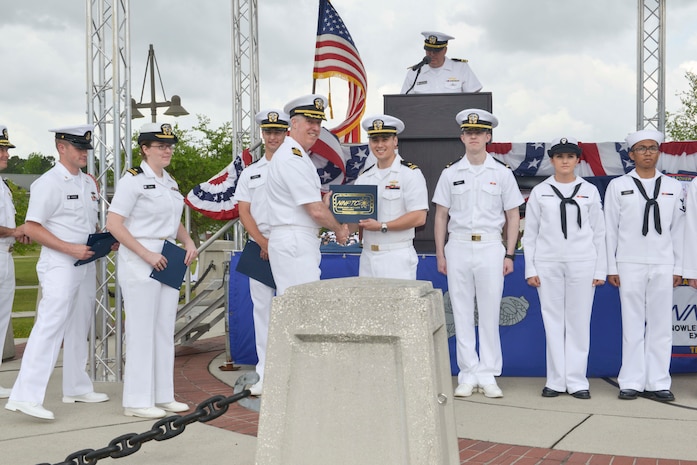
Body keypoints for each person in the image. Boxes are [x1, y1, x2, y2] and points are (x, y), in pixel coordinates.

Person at [5, 125, 109, 420]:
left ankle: (76, 386)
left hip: (86, 259)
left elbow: (85, 224)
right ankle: (25, 396)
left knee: (80, 325)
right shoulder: (48, 183)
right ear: (61, 147)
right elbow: (32, 227)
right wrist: (69, 248)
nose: (84, 153)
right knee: (50, 327)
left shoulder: (89, 182)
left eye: (86, 148)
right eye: (78, 148)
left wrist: (102, 238)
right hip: (60, 264)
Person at [106, 122, 197, 418]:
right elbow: (114, 224)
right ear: (145, 149)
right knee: (141, 330)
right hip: (140, 256)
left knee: (162, 329)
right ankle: (136, 400)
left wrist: (187, 240)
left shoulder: (169, 181)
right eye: (161, 146)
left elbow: (174, 219)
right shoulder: (132, 180)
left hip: (168, 254)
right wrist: (145, 254)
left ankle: (162, 394)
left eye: (170, 145)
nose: (167, 150)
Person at [432, 109, 523, 398]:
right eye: (468, 132)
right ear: (462, 137)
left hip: (489, 247)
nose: (473, 136)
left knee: (489, 311)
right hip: (457, 245)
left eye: (479, 132)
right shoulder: (450, 173)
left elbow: (513, 215)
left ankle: (489, 372)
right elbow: (441, 216)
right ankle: (468, 373)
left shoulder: (502, 173)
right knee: (460, 311)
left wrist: (509, 254)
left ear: (488, 136)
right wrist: (440, 254)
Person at [522, 137, 607, 399]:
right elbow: (531, 233)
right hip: (548, 263)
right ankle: (556, 380)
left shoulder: (589, 190)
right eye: (560, 157)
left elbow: (599, 232)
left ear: (578, 160)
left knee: (579, 322)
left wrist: (600, 270)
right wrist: (530, 268)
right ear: (552, 161)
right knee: (553, 321)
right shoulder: (540, 192)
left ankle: (577, 380)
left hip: (583, 261)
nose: (565, 161)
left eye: (570, 157)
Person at [605, 129, 684, 402]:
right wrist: (611, 266)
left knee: (661, 325)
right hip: (628, 262)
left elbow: (679, 230)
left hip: (663, 262)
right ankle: (631, 381)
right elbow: (609, 230)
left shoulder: (674, 187)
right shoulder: (618, 186)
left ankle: (658, 381)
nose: (648, 152)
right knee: (633, 323)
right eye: (641, 148)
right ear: (631, 155)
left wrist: (679, 266)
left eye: (652, 147)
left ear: (659, 153)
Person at [265, 94, 349, 295]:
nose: (315, 127)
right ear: (293, 123)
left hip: (296, 239)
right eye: (310, 121)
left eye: (318, 122)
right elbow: (315, 211)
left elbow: (312, 205)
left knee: (298, 306)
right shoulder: (292, 158)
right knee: (302, 305)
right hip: (294, 240)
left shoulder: (296, 155)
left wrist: (323, 203)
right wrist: (338, 229)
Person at [234, 109, 289, 396]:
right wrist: (262, 242)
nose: (273, 137)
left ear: (286, 133)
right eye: (268, 131)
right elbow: (244, 210)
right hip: (259, 246)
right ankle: (265, 374)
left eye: (278, 131)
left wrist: (275, 243)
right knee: (263, 313)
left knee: (291, 310)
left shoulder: (296, 166)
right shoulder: (251, 172)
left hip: (288, 245)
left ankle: (292, 373)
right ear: (262, 134)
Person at [352, 114, 428, 279]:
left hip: (396, 256)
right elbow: (356, 221)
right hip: (367, 257)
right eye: (374, 140)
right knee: (368, 305)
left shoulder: (410, 174)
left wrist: (382, 226)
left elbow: (419, 217)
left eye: (384, 139)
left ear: (395, 141)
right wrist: (339, 222)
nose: (379, 145)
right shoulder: (364, 177)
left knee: (399, 305)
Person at [0, 126, 30, 399]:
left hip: (4, 255)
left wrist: (15, 234)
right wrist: (14, 231)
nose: (6, 153)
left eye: (6, 148)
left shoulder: (3, 184)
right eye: (1, 149)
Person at [401, 31, 483, 95]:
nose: (432, 54)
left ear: (445, 50)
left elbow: (474, 98)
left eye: (436, 51)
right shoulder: (414, 73)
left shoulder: (461, 68)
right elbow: (403, 102)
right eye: (429, 50)